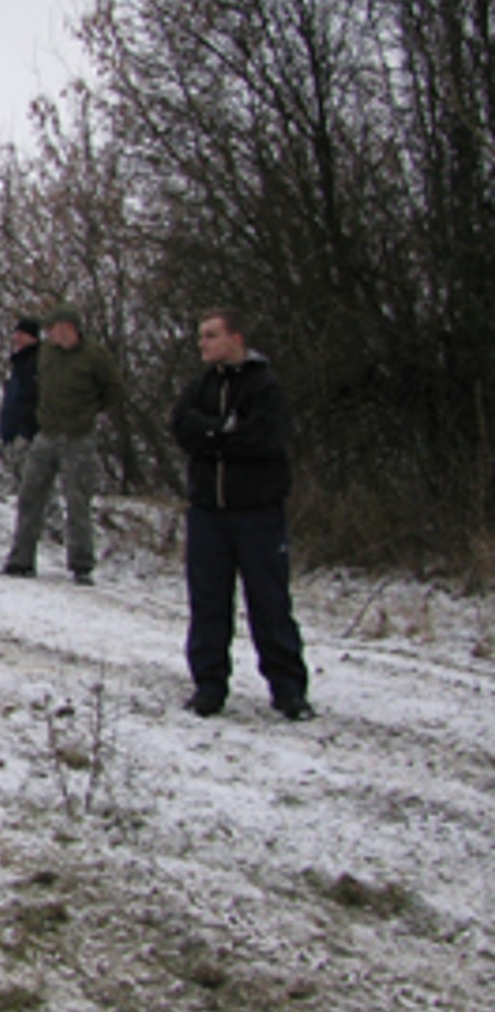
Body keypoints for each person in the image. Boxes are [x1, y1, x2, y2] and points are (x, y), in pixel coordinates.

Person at [170, 308, 314, 721]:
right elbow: (182, 427)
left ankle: (288, 689)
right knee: (209, 602)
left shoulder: (264, 387)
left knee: (269, 602)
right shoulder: (199, 386)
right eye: (201, 336)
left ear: (235, 338)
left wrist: (213, 437)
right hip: (207, 512)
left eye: (211, 335)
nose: (203, 343)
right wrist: (220, 432)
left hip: (257, 513)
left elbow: (262, 439)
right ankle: (209, 686)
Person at [1, 301, 124, 584]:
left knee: (77, 500)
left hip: (78, 436)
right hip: (46, 434)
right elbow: (28, 379)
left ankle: (81, 565)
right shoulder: (46, 354)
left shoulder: (94, 356)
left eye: (52, 329)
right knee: (30, 495)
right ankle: (21, 559)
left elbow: (114, 389)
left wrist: (90, 412)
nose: (49, 335)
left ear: (67, 328)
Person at [0, 315, 41, 467]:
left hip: (30, 435)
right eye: (16, 334)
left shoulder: (36, 362)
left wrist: (27, 430)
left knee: (35, 481)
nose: (17, 338)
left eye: (22, 334)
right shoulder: (19, 363)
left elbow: (34, 398)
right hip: (15, 433)